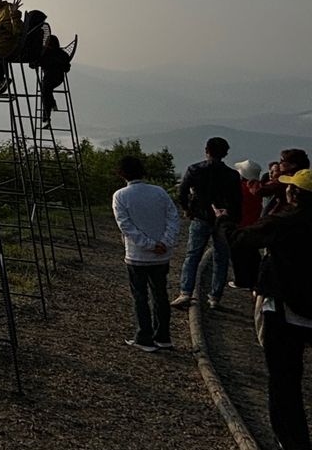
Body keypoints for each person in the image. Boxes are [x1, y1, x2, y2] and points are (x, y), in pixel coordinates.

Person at [230, 169, 312, 450]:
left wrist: (223, 219)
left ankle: (294, 442)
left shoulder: (284, 222)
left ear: (294, 194)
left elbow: (240, 239)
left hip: (284, 306)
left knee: (285, 378)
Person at [112, 156, 180, 352]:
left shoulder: (120, 195)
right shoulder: (159, 192)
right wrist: (165, 242)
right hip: (161, 255)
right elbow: (172, 217)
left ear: (122, 173)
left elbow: (126, 226)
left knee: (140, 297)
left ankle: (144, 336)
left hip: (136, 255)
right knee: (161, 294)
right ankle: (163, 336)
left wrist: (148, 244)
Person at [171, 137, 241, 310]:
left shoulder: (194, 170)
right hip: (223, 220)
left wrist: (187, 209)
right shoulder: (232, 175)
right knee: (221, 258)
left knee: (192, 255)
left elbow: (182, 192)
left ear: (206, 150)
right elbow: (237, 200)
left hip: (200, 217)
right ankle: (215, 297)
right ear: (225, 153)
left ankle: (185, 292)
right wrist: (233, 219)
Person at [229, 159, 265, 289]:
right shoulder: (258, 189)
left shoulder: (241, 188)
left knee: (239, 256)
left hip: (240, 225)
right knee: (251, 255)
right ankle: (254, 279)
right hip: (253, 224)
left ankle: (242, 281)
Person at [31, 34, 72, 129]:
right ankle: (48, 115)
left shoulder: (45, 53)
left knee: (45, 90)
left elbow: (33, 65)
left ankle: (47, 116)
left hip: (49, 79)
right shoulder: (62, 54)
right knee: (46, 90)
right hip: (58, 79)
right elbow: (67, 68)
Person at [261, 150, 310, 218]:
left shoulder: (287, 180)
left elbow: (262, 191)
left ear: (293, 165)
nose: (279, 163)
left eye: (282, 161)